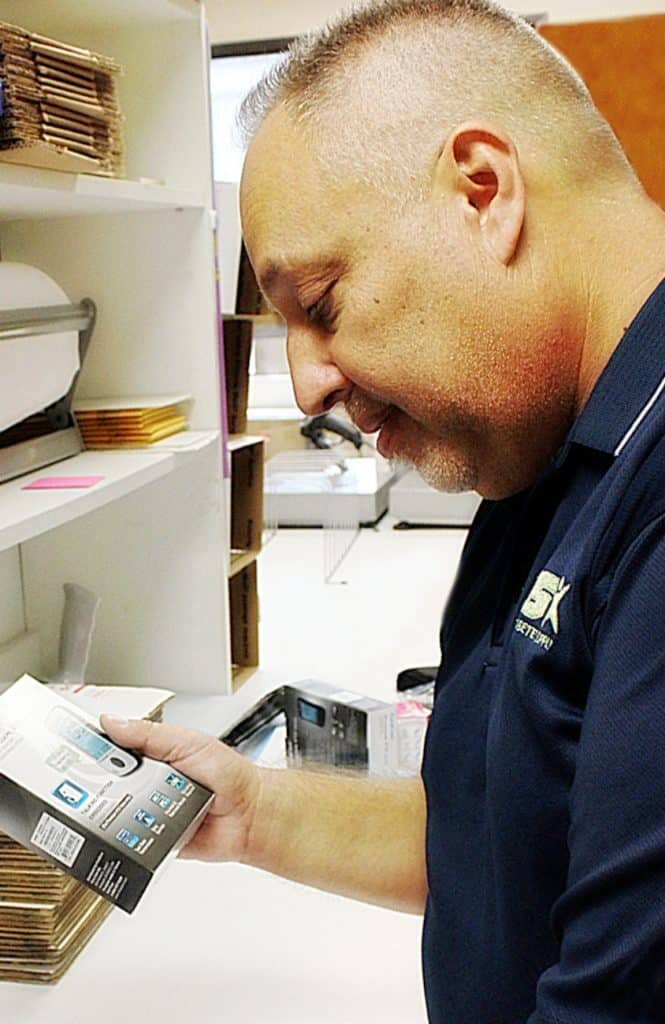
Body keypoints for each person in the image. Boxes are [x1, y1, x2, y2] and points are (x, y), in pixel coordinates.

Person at [102, 1, 665, 1019]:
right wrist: (252, 808)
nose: (309, 385)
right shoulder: (529, 442)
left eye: (319, 304)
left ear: (482, 193)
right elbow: (500, 838)